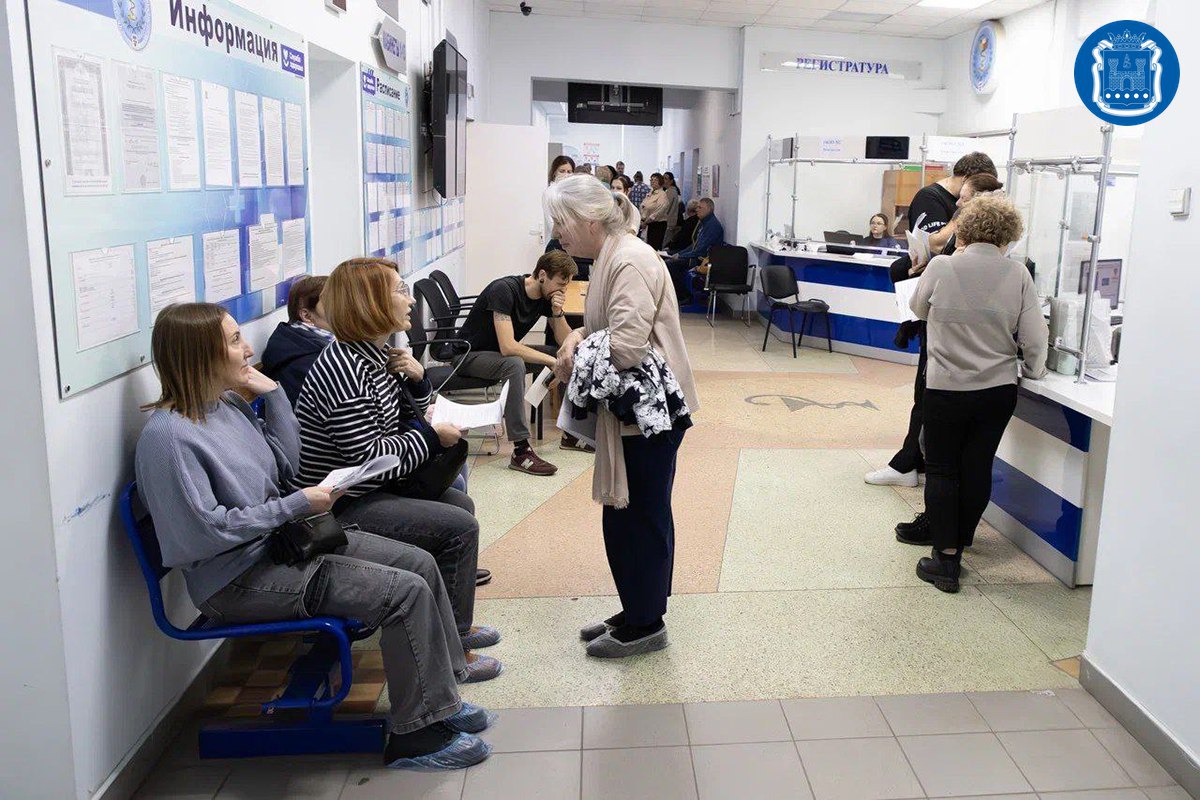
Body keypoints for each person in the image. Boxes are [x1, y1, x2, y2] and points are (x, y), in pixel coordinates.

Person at [135, 303, 496, 770]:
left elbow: (288, 464)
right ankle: (418, 735)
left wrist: (275, 396)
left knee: (418, 563)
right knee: (404, 592)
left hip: (282, 546)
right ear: (198, 354)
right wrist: (295, 505)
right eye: (234, 341)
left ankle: (441, 697)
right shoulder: (168, 438)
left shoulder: (227, 406)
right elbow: (202, 535)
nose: (248, 350)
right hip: (237, 578)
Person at [294, 258, 502, 675]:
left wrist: (418, 381)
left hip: (370, 490)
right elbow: (371, 460)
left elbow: (407, 420)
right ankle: (451, 656)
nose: (411, 302)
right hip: (340, 507)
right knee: (459, 527)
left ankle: (452, 630)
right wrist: (432, 438)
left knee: (460, 505)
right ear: (370, 302)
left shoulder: (373, 356)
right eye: (401, 291)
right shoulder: (344, 369)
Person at [545, 175, 698, 658]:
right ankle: (637, 608)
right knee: (628, 515)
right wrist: (578, 336)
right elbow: (606, 328)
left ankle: (647, 623)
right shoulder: (610, 255)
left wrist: (577, 353)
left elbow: (627, 346)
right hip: (636, 410)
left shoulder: (629, 259)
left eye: (561, 222)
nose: (557, 232)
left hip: (649, 413)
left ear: (589, 220)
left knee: (638, 516)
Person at [908, 195, 1048, 593]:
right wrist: (1034, 370)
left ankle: (946, 558)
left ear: (964, 230)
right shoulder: (1018, 274)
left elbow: (918, 309)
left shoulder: (942, 266)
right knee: (977, 466)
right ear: (1009, 234)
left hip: (946, 387)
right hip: (996, 391)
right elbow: (1035, 337)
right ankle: (962, 540)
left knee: (941, 469)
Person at [865, 152, 999, 498]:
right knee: (927, 390)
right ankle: (909, 462)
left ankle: (916, 460)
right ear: (967, 179)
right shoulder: (932, 200)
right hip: (939, 311)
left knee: (935, 394)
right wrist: (962, 213)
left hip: (959, 315)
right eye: (970, 194)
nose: (966, 204)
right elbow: (937, 247)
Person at [453, 251, 584, 475]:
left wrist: (557, 312)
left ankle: (571, 432)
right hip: (469, 355)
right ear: (542, 275)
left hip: (497, 356)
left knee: (567, 356)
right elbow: (508, 347)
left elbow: (565, 341)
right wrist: (552, 362)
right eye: (560, 284)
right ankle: (520, 450)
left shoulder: (546, 297)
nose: (563, 291)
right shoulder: (504, 290)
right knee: (515, 364)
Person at [261, 276, 333, 405]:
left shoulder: (299, 342)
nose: (345, 310)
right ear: (307, 316)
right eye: (335, 304)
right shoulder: (309, 361)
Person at [664, 198, 724, 304]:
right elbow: (694, 245)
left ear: (709, 209)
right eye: (697, 207)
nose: (697, 210)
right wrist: (679, 253)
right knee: (669, 258)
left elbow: (700, 251)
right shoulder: (704, 223)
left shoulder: (713, 226)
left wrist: (681, 256)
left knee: (670, 264)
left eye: (700, 208)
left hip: (702, 260)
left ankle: (683, 296)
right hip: (696, 256)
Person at [640, 173, 669, 250]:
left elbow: (658, 212)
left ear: (660, 182)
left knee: (653, 248)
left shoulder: (662, 195)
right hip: (647, 224)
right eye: (651, 179)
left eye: (655, 180)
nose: (652, 181)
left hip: (657, 225)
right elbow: (643, 206)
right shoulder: (650, 193)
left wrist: (646, 222)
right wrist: (642, 220)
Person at [660, 171, 683, 243]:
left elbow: (666, 207)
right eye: (663, 178)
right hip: (670, 221)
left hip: (669, 222)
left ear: (671, 181)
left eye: (665, 179)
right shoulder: (669, 191)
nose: (663, 180)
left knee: (665, 242)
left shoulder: (670, 192)